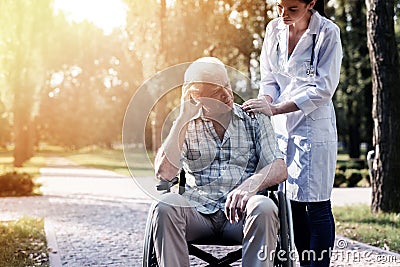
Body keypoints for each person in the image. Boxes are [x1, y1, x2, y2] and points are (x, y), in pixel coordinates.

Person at [152, 57, 287, 267]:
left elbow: (279, 167)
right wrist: (182, 118)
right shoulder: (185, 126)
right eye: (216, 93)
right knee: (164, 206)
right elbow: (165, 174)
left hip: (241, 215)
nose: (227, 95)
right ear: (196, 97)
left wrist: (248, 187)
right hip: (198, 214)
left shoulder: (254, 118)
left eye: (227, 86)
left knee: (265, 206)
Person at [243, 1, 342, 266]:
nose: (283, 14)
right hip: (281, 129)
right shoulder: (273, 29)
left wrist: (275, 109)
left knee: (317, 205)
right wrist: (265, 103)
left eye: (293, 8)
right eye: (280, 6)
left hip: (314, 128)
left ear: (311, 4)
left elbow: (323, 89)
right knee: (292, 205)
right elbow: (270, 79)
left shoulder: (327, 33)